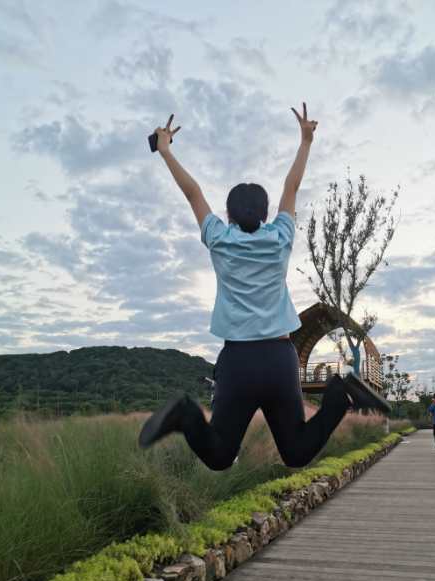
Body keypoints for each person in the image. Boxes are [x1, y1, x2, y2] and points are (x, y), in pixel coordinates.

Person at [139, 104, 390, 470]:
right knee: (296, 452)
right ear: (266, 212)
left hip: (238, 361)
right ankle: (339, 395)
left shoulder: (219, 238)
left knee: (220, 456)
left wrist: (165, 151)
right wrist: (306, 141)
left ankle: (186, 414)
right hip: (278, 359)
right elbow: (292, 185)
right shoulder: (279, 237)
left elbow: (193, 193)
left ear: (228, 215)